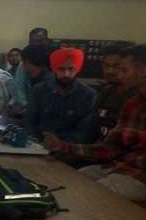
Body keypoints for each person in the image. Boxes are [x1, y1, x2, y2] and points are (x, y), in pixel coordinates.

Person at [44, 45, 146, 201]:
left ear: (143, 71)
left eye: (123, 70)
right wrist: (63, 147)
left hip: (138, 176)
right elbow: (111, 148)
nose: (118, 74)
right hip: (118, 167)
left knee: (92, 194)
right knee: (69, 181)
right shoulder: (132, 104)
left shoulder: (92, 94)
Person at [25, 48, 96, 142]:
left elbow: (84, 131)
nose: (66, 74)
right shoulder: (39, 90)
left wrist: (62, 145)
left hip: (71, 147)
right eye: (61, 69)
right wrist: (38, 142)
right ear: (54, 69)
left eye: (71, 69)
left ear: (77, 70)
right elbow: (30, 123)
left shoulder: (88, 95)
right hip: (40, 144)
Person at [90, 44, 137, 142]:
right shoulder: (104, 93)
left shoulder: (137, 97)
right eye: (106, 65)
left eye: (116, 66)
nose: (110, 71)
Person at [12, 27, 52, 113]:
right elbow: (20, 90)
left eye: (40, 40)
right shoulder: (23, 65)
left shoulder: (54, 59)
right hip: (29, 108)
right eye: (34, 41)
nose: (37, 44)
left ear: (47, 41)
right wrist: (28, 108)